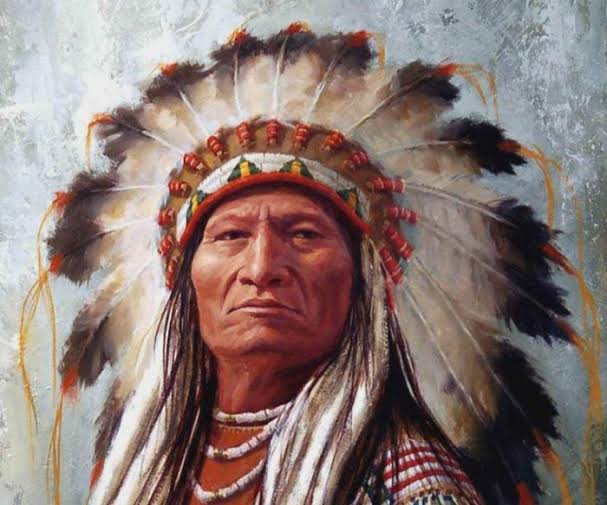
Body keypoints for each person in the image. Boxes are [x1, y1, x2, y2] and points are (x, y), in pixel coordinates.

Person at [33, 24, 585, 505]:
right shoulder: (150, 465)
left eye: (303, 234)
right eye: (230, 235)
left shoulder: (411, 483)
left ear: (361, 280)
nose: (262, 268)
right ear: (187, 279)